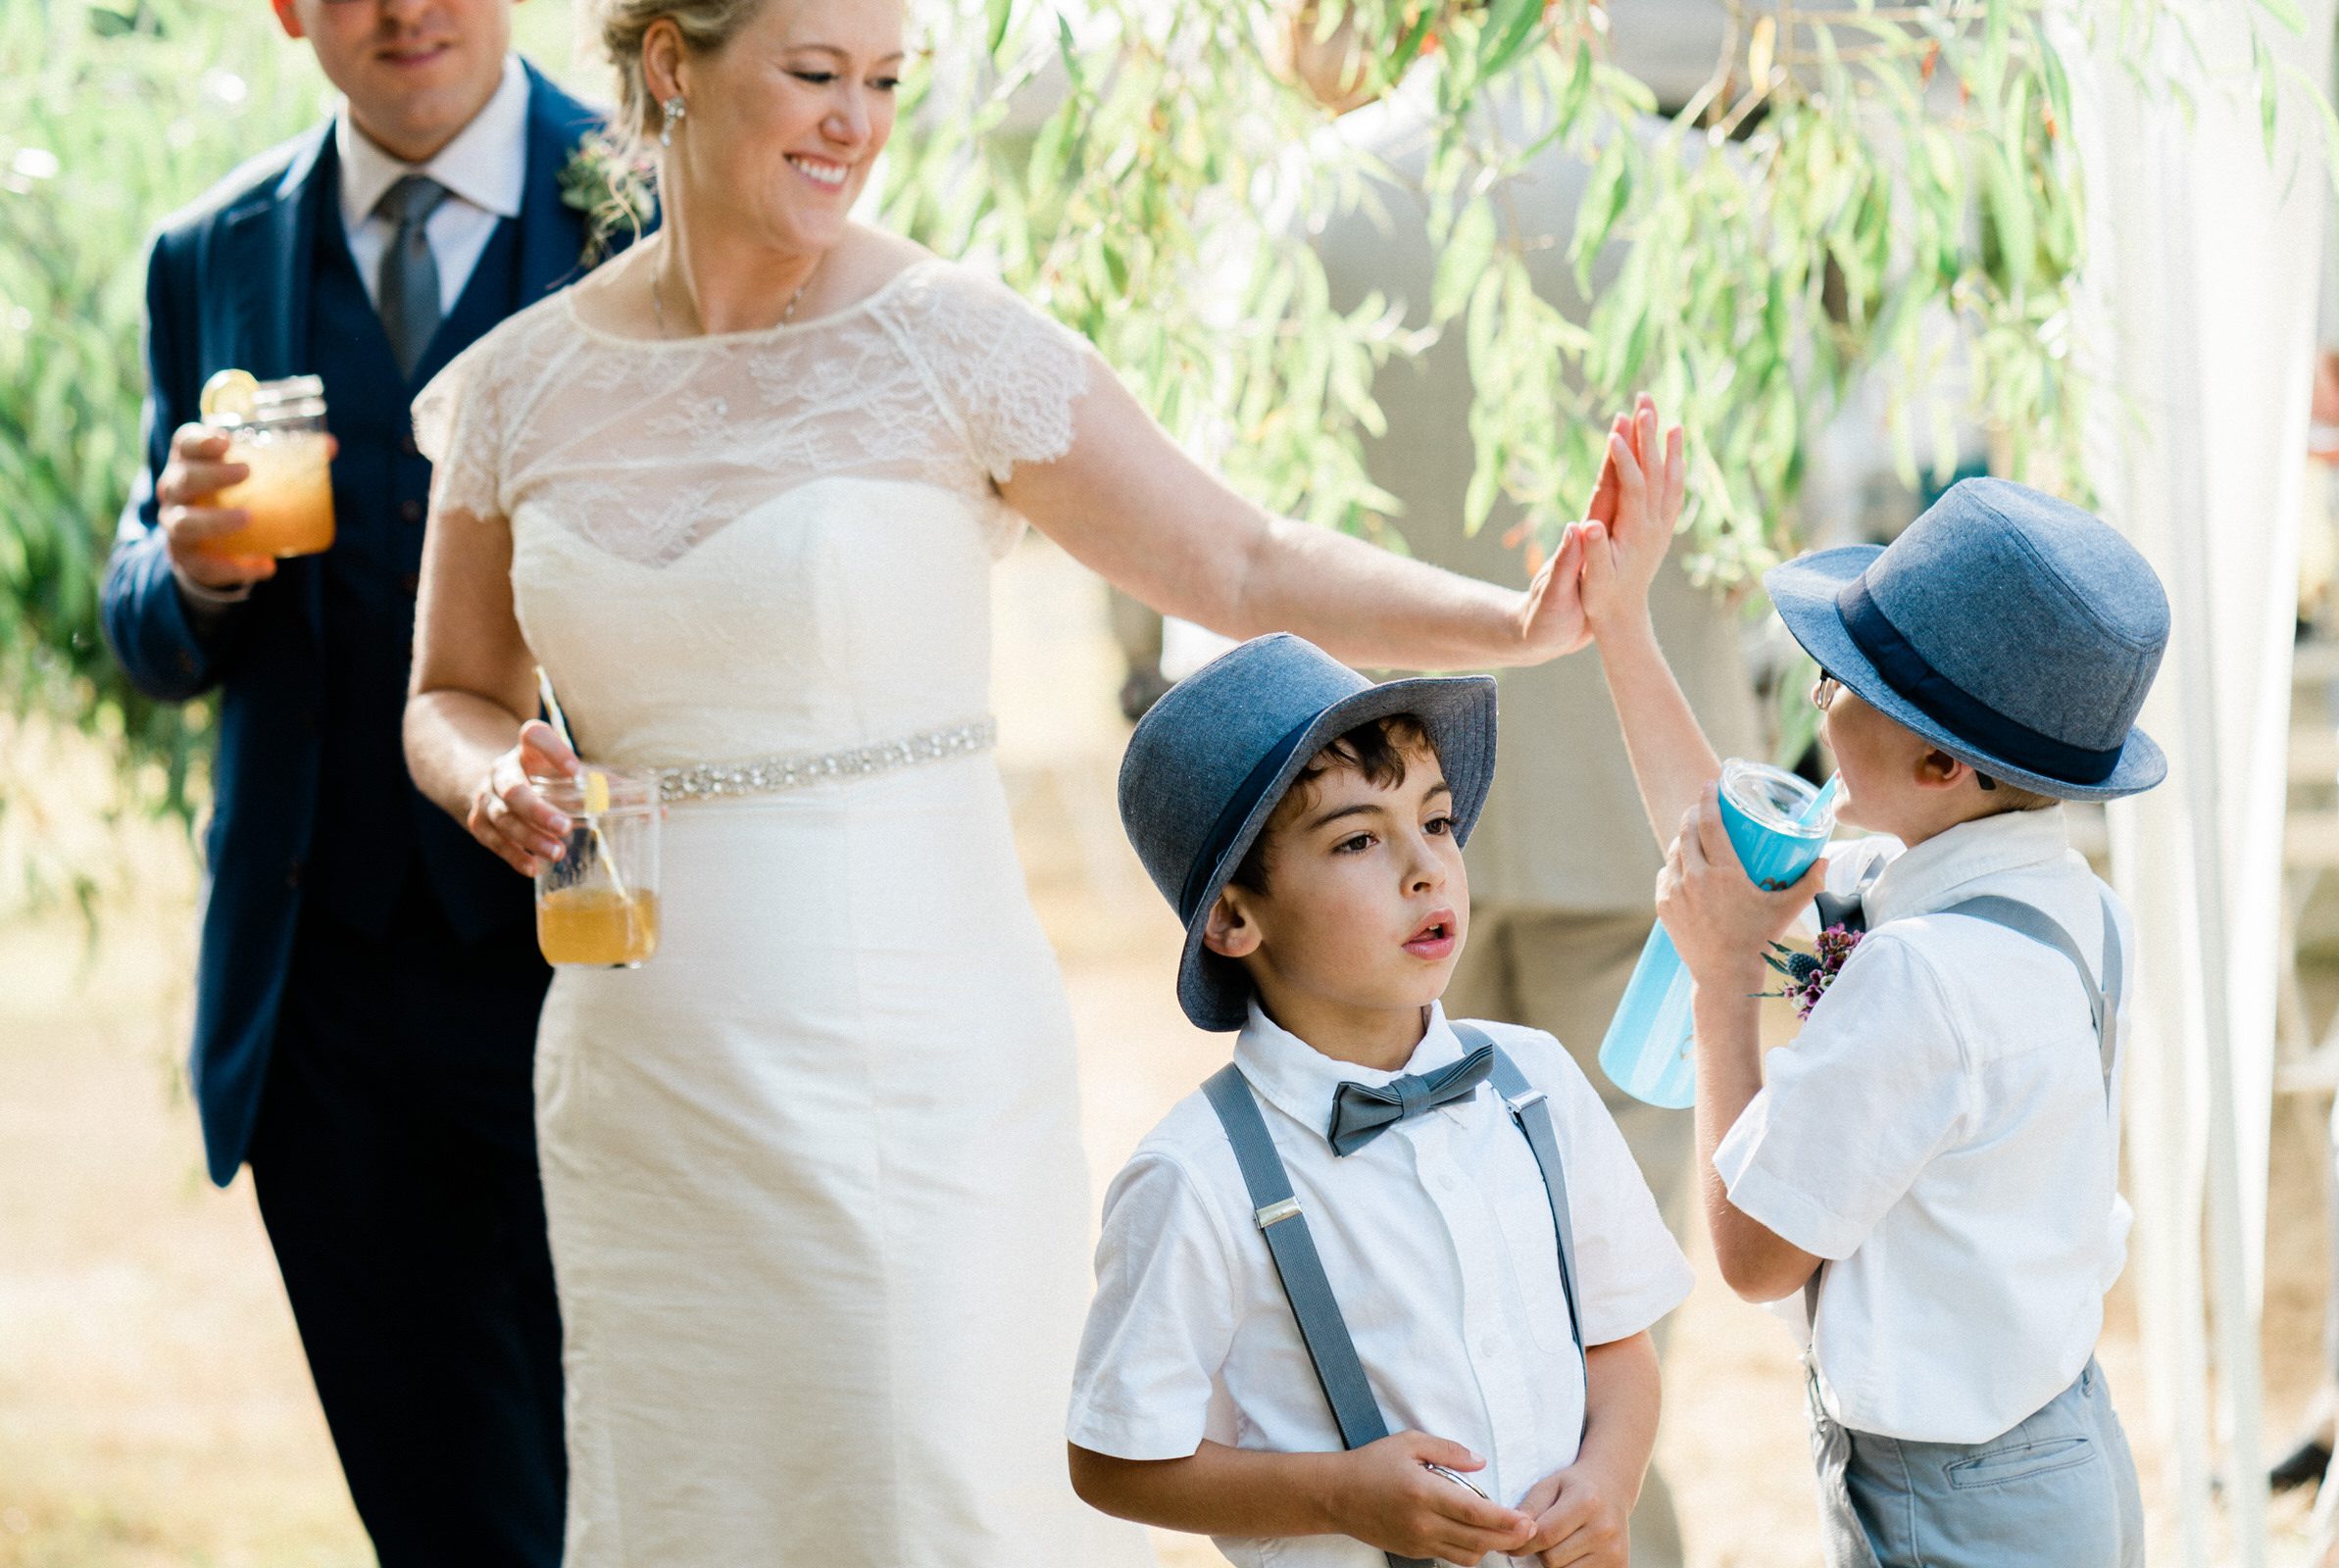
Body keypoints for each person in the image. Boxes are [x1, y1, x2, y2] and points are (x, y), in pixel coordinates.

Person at [397, 0, 1607, 1557]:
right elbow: (449, 693)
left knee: (933, 1487)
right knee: (692, 1495)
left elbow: (1236, 555)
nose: (858, 120)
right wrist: (492, 776)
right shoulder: (519, 389)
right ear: (669, 67)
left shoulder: (948, 339)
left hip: (912, 1052)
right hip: (648, 1066)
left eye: (886, 81)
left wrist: (1516, 622)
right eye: (816, 74)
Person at [98, 0, 620, 1559]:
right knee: (443, 1517)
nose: (407, 11)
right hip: (325, 1016)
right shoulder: (210, 250)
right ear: (285, 9)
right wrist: (187, 570)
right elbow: (147, 622)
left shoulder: (655, 199)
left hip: (601, 965)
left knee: (646, 1494)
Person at [1286, 13, 1766, 1559]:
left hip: (1369, 828)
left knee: (1401, 1278)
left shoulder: (1310, 198)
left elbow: (1258, 527)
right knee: (1606, 1289)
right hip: (1630, 820)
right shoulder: (1692, 194)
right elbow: (1768, 516)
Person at [1579, 403, 2160, 1565]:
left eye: (1842, 680)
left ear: (1940, 763)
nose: (1813, 697)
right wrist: (1620, 624)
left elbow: (1751, 1253)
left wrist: (1721, 981)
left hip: (1950, 1510)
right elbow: (1730, 858)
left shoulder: (1921, 979)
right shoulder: (2061, 904)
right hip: (2061, 1454)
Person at [1068, 632, 1692, 1567]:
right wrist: (1335, 1493)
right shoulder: (1196, 1178)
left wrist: (1610, 1478)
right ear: (1237, 915)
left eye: (1436, 822)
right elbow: (1114, 1460)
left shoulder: (1536, 1085)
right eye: (1359, 839)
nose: (1427, 866)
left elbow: (1618, 1343)